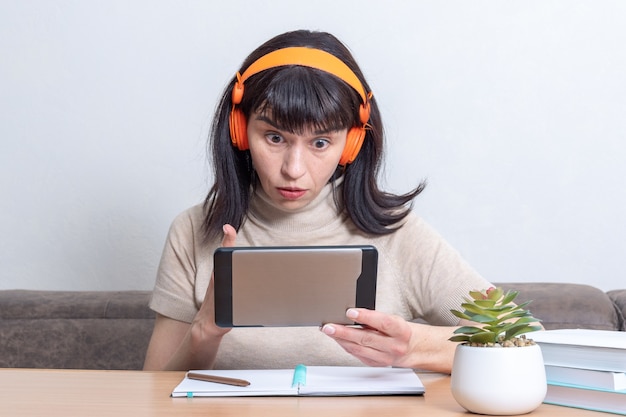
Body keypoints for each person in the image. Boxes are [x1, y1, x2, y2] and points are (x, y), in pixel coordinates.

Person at [143, 29, 492, 374]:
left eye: (321, 143)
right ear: (240, 130)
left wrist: (413, 347)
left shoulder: (399, 235)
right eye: (275, 137)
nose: (294, 170)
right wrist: (204, 332)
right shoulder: (192, 232)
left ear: (352, 144)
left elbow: (523, 340)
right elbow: (150, 394)